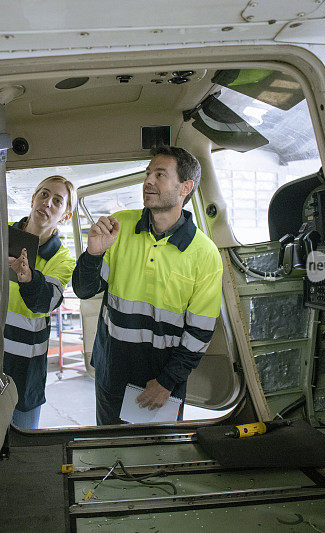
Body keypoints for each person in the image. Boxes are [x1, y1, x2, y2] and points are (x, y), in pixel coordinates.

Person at [72, 145, 223, 425]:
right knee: (109, 451)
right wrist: (92, 253)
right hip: (111, 375)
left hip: (161, 385)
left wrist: (167, 382)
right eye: (147, 173)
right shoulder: (119, 227)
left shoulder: (205, 254)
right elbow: (84, 290)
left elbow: (199, 332)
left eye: (160, 174)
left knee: (157, 459)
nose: (148, 181)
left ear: (185, 188)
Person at [0, 176, 77, 429]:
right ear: (33, 198)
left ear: (66, 215)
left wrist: (29, 279)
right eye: (44, 195)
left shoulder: (63, 260)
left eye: (57, 201)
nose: (47, 203)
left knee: (22, 446)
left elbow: (46, 302)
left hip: (25, 370)